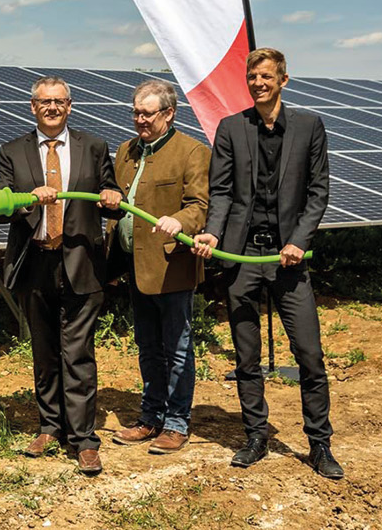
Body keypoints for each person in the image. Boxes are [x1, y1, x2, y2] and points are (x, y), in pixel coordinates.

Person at [192, 48, 342, 479]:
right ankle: (255, 435)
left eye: (266, 76)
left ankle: (319, 444)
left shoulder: (309, 126)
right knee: (246, 356)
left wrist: (298, 240)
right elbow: (220, 192)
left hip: (288, 261)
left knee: (309, 355)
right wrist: (213, 233)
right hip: (242, 257)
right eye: (252, 76)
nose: (258, 82)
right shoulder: (230, 128)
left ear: (283, 80)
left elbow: (318, 192)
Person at [0, 76, 122, 476]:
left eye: (60, 102)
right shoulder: (12, 151)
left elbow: (111, 197)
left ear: (70, 106)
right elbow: (1, 206)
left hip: (82, 263)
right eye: (44, 102)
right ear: (33, 107)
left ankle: (84, 439)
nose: (52, 108)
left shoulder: (94, 146)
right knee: (45, 352)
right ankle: (50, 426)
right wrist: (26, 199)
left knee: (78, 352)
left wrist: (114, 199)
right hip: (35, 263)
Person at [105, 80, 209, 455]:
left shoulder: (192, 152)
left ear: (169, 113)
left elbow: (200, 205)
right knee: (147, 346)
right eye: (135, 112)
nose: (140, 120)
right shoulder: (126, 151)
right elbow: (116, 202)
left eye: (147, 113)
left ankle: (177, 423)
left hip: (171, 267)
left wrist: (181, 220)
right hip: (135, 266)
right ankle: (150, 418)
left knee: (177, 347)